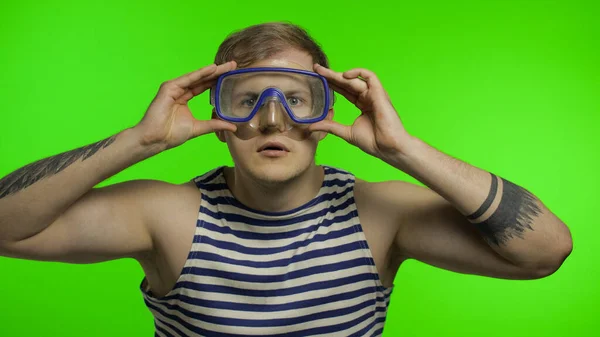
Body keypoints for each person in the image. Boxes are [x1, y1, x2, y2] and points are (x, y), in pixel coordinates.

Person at [0, 22, 572, 336]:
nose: (273, 120)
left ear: (327, 114)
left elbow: (545, 252)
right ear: (216, 122)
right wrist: (140, 140)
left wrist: (403, 150)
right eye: (246, 101)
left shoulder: (382, 214)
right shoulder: (166, 215)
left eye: (298, 100)